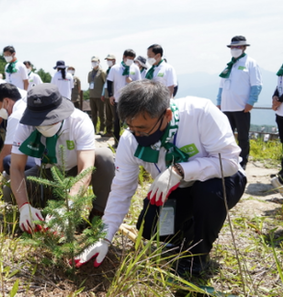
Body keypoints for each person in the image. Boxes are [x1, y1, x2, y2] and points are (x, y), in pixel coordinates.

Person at [74, 80, 247, 277]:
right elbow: (121, 189)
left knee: (208, 193)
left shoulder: (200, 113)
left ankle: (197, 257)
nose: (137, 134)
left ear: (167, 115)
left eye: (143, 128)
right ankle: (188, 230)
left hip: (221, 181)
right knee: (150, 229)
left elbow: (229, 162)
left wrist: (180, 170)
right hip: (177, 191)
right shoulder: (131, 140)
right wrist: (104, 238)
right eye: (132, 128)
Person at [3, 83, 115, 233]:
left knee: (105, 157)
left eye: (50, 119)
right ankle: (41, 210)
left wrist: (70, 203)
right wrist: (23, 206)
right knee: (8, 191)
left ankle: (97, 216)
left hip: (74, 171)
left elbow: (85, 169)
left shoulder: (79, 121)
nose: (44, 125)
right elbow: (16, 167)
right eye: (39, 121)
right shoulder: (25, 126)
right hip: (45, 172)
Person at [217, 35, 262, 170]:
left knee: (243, 136)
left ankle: (243, 162)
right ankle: (230, 159)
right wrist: (219, 101)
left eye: (238, 47)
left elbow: (257, 85)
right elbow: (221, 86)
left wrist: (251, 102)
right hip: (226, 107)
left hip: (241, 107)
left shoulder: (250, 63)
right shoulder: (229, 65)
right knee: (227, 136)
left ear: (244, 47)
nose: (234, 49)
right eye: (232, 47)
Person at [0, 83, 35, 179]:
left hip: (39, 161)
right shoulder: (26, 106)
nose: (0, 110)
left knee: (8, 160)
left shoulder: (16, 116)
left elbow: (7, 151)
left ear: (6, 101)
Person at [106, 49, 141, 147]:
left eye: (132, 59)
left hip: (131, 99)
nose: (130, 60)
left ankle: (130, 143)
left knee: (130, 121)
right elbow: (109, 82)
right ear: (124, 57)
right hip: (118, 98)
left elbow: (139, 83)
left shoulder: (135, 68)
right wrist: (110, 95)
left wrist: (131, 82)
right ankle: (117, 141)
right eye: (129, 58)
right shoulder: (115, 68)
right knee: (117, 121)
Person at [270, 62, 283, 193]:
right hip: (280, 112)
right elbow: (279, 86)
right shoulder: (281, 68)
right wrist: (275, 98)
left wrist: (279, 100)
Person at [88, 56, 106, 135]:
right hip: (92, 96)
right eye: (92, 61)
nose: (93, 63)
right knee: (93, 114)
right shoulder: (90, 73)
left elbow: (105, 83)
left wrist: (103, 95)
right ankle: (93, 129)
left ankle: (102, 129)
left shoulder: (102, 72)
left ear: (99, 62)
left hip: (100, 97)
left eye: (95, 61)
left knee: (101, 114)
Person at [101, 54, 116, 138]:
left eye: (110, 59)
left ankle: (116, 131)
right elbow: (106, 83)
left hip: (113, 95)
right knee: (108, 114)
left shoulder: (116, 69)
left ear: (114, 60)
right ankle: (109, 131)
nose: (108, 61)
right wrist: (103, 93)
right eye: (107, 60)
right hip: (107, 94)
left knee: (115, 114)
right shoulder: (108, 70)